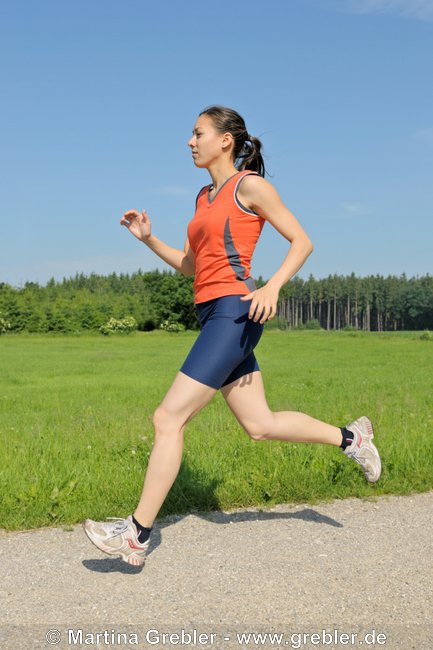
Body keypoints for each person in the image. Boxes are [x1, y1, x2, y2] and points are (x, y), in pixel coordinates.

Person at [83, 105, 381, 567]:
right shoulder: (204, 197)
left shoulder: (250, 187)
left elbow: (302, 241)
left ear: (226, 140)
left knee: (167, 419)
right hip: (212, 314)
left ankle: (136, 536)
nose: (190, 141)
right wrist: (147, 238)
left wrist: (274, 285)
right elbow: (191, 266)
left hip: (234, 313)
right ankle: (352, 439)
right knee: (259, 425)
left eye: (197, 133)